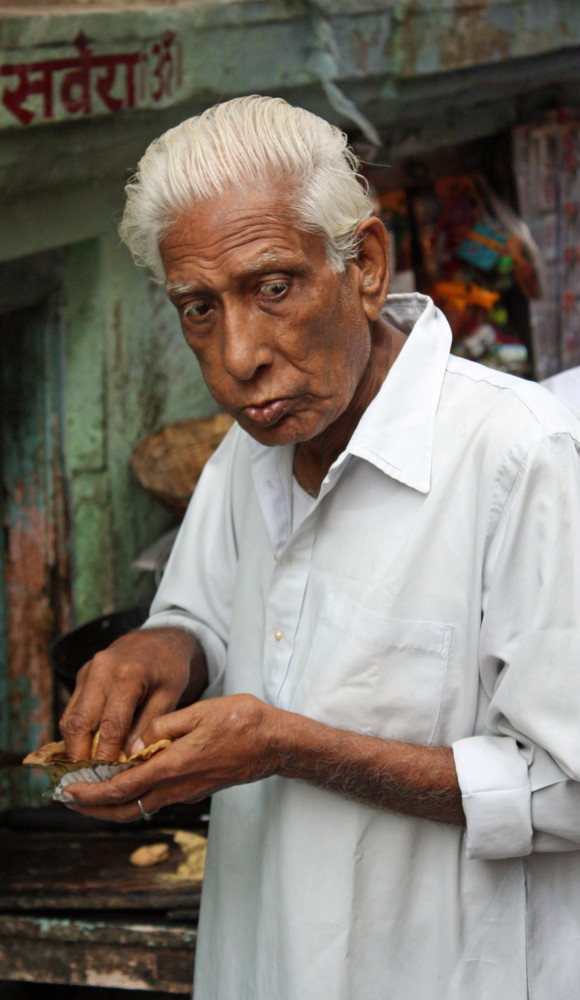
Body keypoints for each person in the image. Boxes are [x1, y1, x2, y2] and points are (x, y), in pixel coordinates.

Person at [59, 96, 580, 1000]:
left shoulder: (523, 458)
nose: (239, 355)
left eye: (272, 287)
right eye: (197, 308)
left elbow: (567, 791)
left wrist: (292, 748)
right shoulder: (250, 448)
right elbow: (208, 616)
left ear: (365, 266)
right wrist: (165, 643)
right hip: (257, 965)